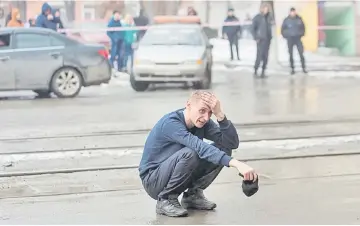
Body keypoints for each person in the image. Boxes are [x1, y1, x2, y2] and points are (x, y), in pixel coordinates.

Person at [139, 90, 258, 217]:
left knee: (224, 149)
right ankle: (165, 199)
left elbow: (231, 143)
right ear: (188, 105)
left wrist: (220, 115)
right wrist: (237, 164)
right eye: (202, 111)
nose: (206, 117)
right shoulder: (171, 123)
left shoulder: (202, 122)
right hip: (153, 180)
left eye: (210, 113)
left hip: (174, 171)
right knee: (192, 152)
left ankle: (192, 195)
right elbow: (199, 147)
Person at [281, 7, 307, 75]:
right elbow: (283, 29)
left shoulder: (299, 19)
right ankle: (292, 69)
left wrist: (301, 34)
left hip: (297, 38)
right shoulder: (286, 20)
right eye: (291, 12)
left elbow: (303, 27)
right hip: (290, 39)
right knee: (291, 54)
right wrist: (286, 35)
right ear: (290, 12)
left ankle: (303, 68)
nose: (293, 13)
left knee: (301, 53)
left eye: (294, 12)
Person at [252, 3, 273, 78]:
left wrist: (270, 37)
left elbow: (270, 28)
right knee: (259, 55)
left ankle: (263, 71)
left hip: (267, 39)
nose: (266, 10)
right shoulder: (257, 18)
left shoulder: (269, 17)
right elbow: (253, 29)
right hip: (260, 39)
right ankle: (255, 70)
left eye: (267, 9)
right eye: (264, 8)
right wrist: (256, 37)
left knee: (265, 56)